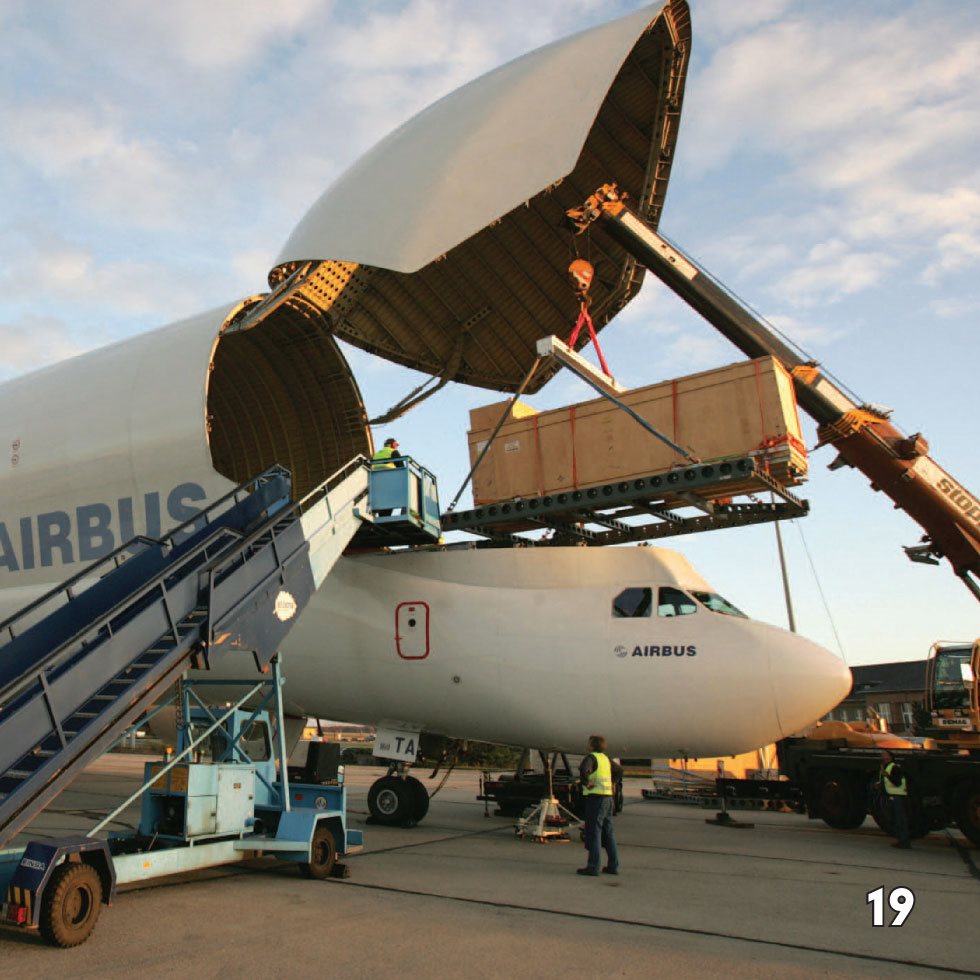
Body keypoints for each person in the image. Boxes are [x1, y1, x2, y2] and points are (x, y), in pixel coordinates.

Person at [577, 734, 622, 876]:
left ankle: (593, 866)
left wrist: (586, 783)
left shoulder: (591, 758)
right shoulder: (605, 759)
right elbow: (620, 770)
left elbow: (583, 770)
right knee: (608, 832)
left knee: (594, 832)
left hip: (596, 799)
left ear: (591, 745)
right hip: (608, 799)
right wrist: (613, 782)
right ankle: (613, 866)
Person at [880, 748, 911, 849]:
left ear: (890, 756)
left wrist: (887, 775)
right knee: (895, 819)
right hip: (892, 796)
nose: (882, 755)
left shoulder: (894, 767)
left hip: (898, 797)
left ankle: (904, 841)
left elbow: (897, 782)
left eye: (884, 754)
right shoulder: (886, 766)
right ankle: (901, 839)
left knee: (900, 820)